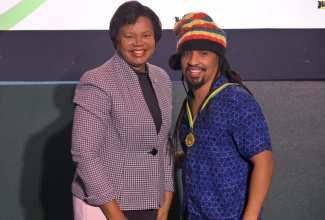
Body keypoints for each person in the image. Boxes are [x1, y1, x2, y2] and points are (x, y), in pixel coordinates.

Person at [71, 1, 174, 220]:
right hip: (106, 205)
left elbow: (163, 144)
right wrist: (116, 215)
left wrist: (166, 196)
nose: (139, 43)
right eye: (129, 36)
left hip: (152, 203)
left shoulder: (162, 78)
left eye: (146, 35)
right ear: (117, 39)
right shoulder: (97, 80)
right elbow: (85, 153)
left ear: (155, 37)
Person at [170, 12, 274, 220]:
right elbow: (204, 153)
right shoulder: (188, 104)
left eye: (203, 53)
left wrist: (250, 217)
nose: (193, 61)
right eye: (187, 53)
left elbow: (265, 162)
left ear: (218, 59)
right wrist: (165, 160)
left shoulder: (236, 100)